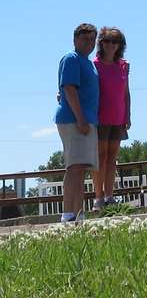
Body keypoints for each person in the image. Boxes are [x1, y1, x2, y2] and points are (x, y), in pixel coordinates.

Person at [55, 23, 99, 223]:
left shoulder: (87, 62)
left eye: (92, 39)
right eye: (84, 38)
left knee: (81, 168)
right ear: (75, 40)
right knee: (74, 167)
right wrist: (80, 118)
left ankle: (79, 214)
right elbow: (69, 88)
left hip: (87, 119)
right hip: (75, 120)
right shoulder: (71, 59)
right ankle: (67, 214)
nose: (88, 43)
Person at [92, 26, 131, 209]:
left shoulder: (124, 65)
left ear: (119, 45)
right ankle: (98, 197)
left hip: (118, 117)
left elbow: (126, 93)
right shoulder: (95, 64)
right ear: (101, 43)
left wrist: (128, 115)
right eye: (107, 41)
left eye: (114, 41)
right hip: (100, 117)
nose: (111, 45)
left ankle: (109, 195)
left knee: (112, 158)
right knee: (100, 157)